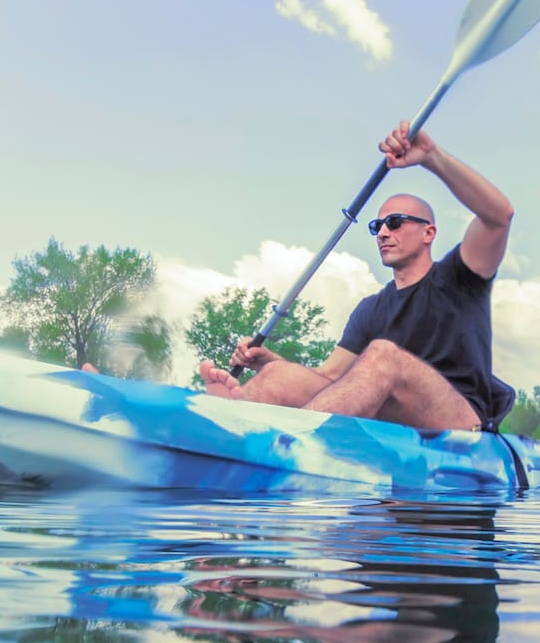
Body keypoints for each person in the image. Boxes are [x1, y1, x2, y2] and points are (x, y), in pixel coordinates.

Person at [199, 120, 515, 432]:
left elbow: (499, 217)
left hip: (463, 422)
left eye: (395, 222)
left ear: (428, 232)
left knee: (383, 355)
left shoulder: (460, 279)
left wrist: (432, 157)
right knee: (279, 375)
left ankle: (289, 446)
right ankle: (226, 430)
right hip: (395, 420)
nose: (383, 233)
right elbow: (331, 379)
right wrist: (270, 362)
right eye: (377, 227)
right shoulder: (370, 309)